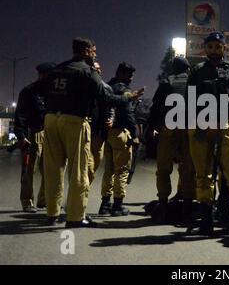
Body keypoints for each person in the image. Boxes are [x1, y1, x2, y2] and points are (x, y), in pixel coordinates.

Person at [43, 38, 143, 228]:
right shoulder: (87, 71)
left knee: (53, 168)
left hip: (51, 119)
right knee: (78, 169)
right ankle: (75, 216)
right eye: (94, 51)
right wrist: (129, 97)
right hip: (74, 120)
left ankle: (52, 212)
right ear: (87, 51)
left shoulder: (56, 69)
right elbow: (106, 97)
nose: (95, 54)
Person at [187, 32, 229, 237]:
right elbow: (191, 99)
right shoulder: (197, 70)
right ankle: (206, 220)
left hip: (225, 124)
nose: (214, 50)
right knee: (203, 174)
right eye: (211, 46)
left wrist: (219, 120)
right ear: (205, 49)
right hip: (201, 125)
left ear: (224, 48)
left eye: (218, 46)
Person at [146, 56, 196, 224]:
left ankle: (162, 204)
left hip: (169, 127)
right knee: (188, 167)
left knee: (163, 167)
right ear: (188, 68)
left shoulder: (167, 82)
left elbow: (156, 107)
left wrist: (152, 127)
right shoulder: (192, 81)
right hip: (189, 127)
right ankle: (188, 207)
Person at [100, 62, 141, 216]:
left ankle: (105, 204)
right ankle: (117, 205)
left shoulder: (107, 87)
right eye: (129, 75)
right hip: (121, 133)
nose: (131, 79)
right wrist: (135, 134)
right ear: (121, 74)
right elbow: (128, 113)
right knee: (122, 170)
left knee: (108, 170)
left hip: (107, 134)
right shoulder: (124, 90)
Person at [14, 62, 56, 213]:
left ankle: (43, 200)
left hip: (49, 133)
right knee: (28, 170)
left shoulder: (53, 92)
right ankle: (27, 202)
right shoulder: (28, 91)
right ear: (42, 75)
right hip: (33, 133)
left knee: (49, 169)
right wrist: (21, 135)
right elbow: (20, 115)